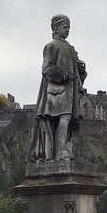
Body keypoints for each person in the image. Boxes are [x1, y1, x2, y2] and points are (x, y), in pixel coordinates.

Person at [30, 14, 86, 162]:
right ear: (56, 28)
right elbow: (46, 69)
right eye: (65, 27)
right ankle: (60, 151)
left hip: (68, 92)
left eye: (69, 28)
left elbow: (77, 69)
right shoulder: (51, 46)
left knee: (66, 121)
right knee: (63, 119)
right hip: (55, 93)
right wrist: (64, 75)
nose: (67, 30)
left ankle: (62, 150)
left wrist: (80, 69)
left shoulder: (71, 48)